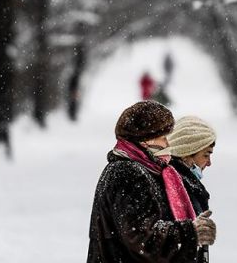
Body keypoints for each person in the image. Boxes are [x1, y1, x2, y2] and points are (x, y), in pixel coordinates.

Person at [87, 101, 217, 263]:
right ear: (145, 140)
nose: (168, 145)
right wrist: (191, 232)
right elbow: (141, 238)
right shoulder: (127, 173)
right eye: (163, 138)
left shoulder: (137, 169)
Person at [165, 116, 216, 263]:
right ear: (187, 153)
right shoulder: (175, 188)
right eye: (206, 155)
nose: (209, 163)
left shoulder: (185, 184)